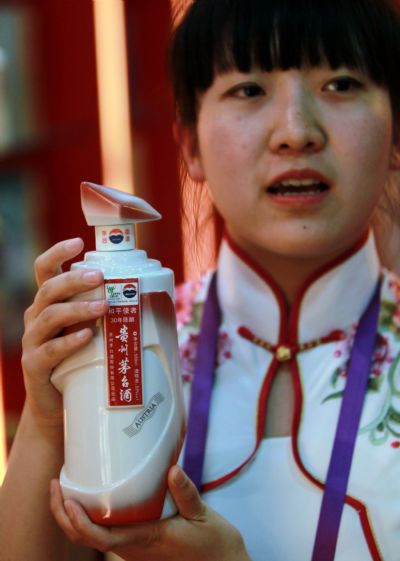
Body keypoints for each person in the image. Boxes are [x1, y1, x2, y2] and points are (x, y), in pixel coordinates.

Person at [1, 0, 400, 559]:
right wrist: (46, 424)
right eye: (249, 90)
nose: (296, 132)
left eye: (340, 84)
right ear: (189, 144)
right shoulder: (123, 335)